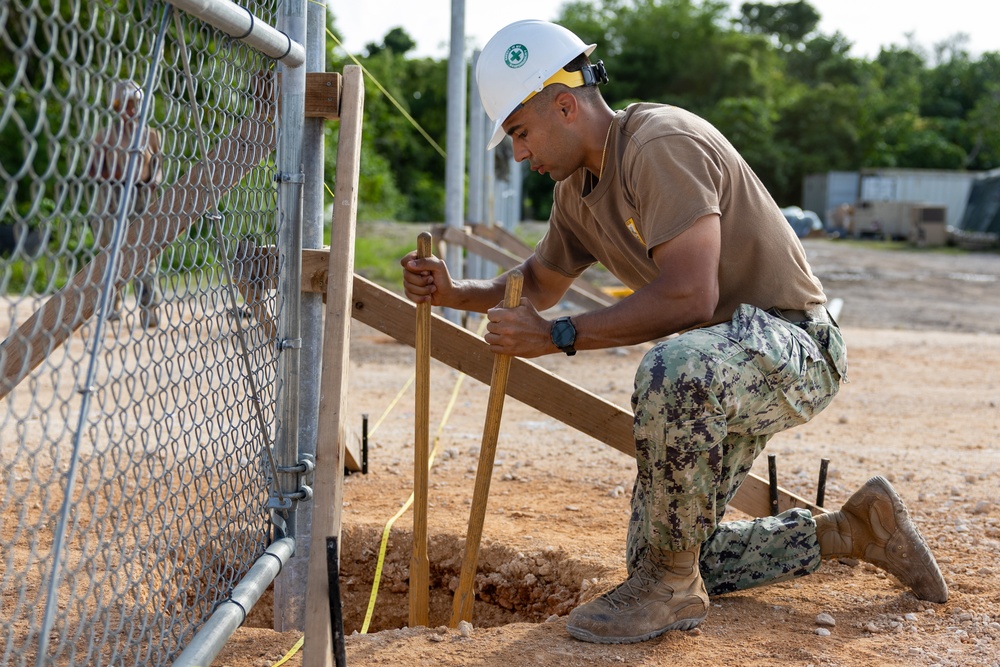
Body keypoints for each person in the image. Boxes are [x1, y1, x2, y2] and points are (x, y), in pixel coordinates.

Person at [401, 19, 948, 644]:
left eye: (521, 132)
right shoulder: (577, 190)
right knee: (668, 548)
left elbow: (691, 296)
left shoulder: (659, 145)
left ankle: (670, 589)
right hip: (726, 362)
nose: (520, 154)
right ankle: (852, 531)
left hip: (796, 345)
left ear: (565, 105)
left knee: (674, 369)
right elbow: (539, 281)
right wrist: (455, 293)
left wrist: (556, 336)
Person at [88, 79, 163, 328]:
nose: (131, 110)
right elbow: (93, 170)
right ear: (116, 106)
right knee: (112, 252)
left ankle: (149, 307)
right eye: (126, 105)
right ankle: (112, 305)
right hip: (113, 196)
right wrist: (115, 173)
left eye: (134, 104)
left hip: (141, 196)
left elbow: (158, 168)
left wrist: (152, 181)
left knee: (145, 254)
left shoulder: (150, 135)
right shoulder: (106, 136)